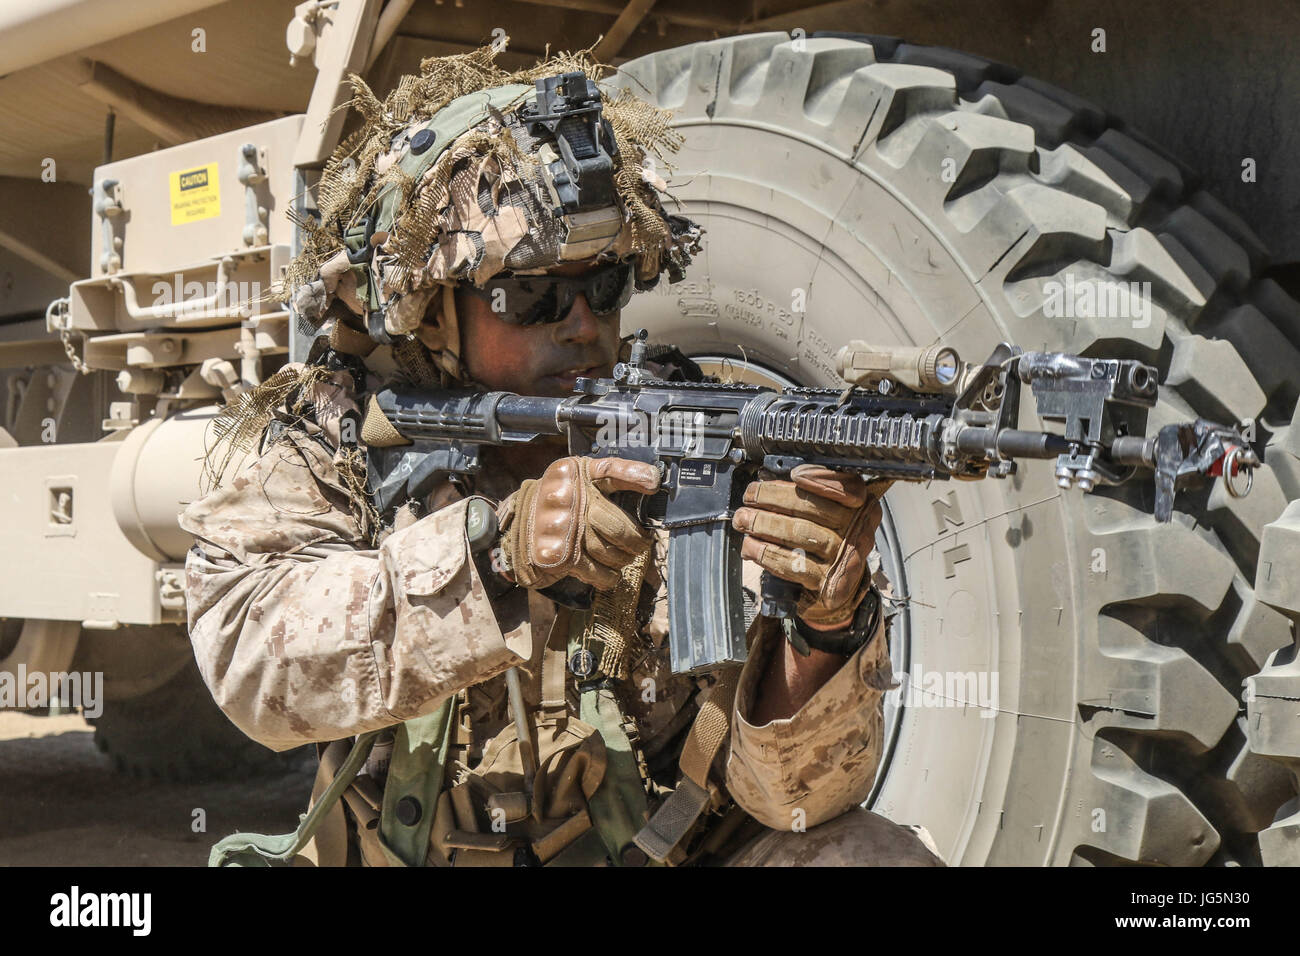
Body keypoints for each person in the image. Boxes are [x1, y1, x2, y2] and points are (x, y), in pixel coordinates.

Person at [181, 46, 942, 867]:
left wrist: (822, 634)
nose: (581, 324)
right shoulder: (334, 434)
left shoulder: (689, 440)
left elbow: (794, 802)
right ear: (434, 307)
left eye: (605, 287)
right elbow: (253, 669)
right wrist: (497, 558)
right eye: (534, 294)